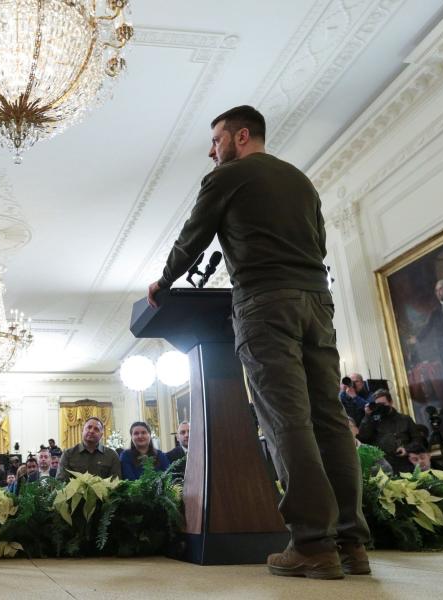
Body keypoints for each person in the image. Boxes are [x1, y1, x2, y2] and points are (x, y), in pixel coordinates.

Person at [147, 105, 370, 579]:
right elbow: (320, 244)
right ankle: (351, 544)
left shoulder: (227, 178)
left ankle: (312, 543)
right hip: (317, 303)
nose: (212, 151)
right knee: (329, 418)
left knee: (287, 420)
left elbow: (193, 238)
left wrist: (163, 282)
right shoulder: (301, 181)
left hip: (265, 304)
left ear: (241, 135)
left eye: (215, 140)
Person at [356, 390, 425, 474]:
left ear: (391, 402)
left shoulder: (405, 419)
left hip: (407, 464)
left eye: (384, 404)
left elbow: (418, 440)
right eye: (379, 405)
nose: (382, 407)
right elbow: (363, 438)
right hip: (385, 466)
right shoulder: (372, 421)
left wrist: (406, 449)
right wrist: (367, 416)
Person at [56, 417, 121, 480]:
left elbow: (115, 482)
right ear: (82, 431)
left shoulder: (112, 455)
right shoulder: (68, 454)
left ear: (101, 435)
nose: (92, 431)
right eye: (89, 427)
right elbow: (61, 482)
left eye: (96, 429)